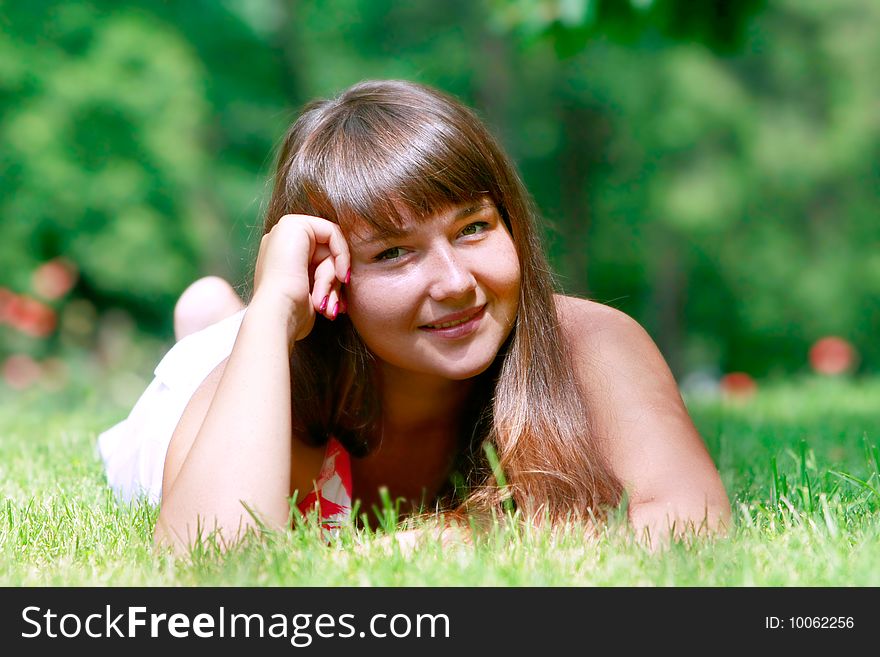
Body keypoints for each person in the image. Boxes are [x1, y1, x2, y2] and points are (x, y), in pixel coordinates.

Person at [98, 79, 731, 553]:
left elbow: (693, 519)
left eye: (474, 228)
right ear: (333, 274)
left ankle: (217, 312)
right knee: (209, 353)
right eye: (394, 253)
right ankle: (216, 319)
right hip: (224, 380)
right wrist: (268, 315)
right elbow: (213, 567)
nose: (456, 284)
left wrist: (447, 542)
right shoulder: (279, 379)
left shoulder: (589, 342)